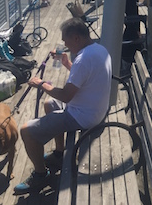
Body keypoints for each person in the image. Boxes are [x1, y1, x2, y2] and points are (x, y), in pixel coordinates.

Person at [13, 18, 112, 194]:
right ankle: (59, 153)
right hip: (95, 108)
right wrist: (66, 63)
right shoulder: (99, 49)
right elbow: (85, 77)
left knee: (26, 131)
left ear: (76, 38)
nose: (65, 46)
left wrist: (42, 84)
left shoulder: (83, 60)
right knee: (49, 103)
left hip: (84, 116)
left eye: (66, 42)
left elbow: (66, 96)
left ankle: (40, 175)